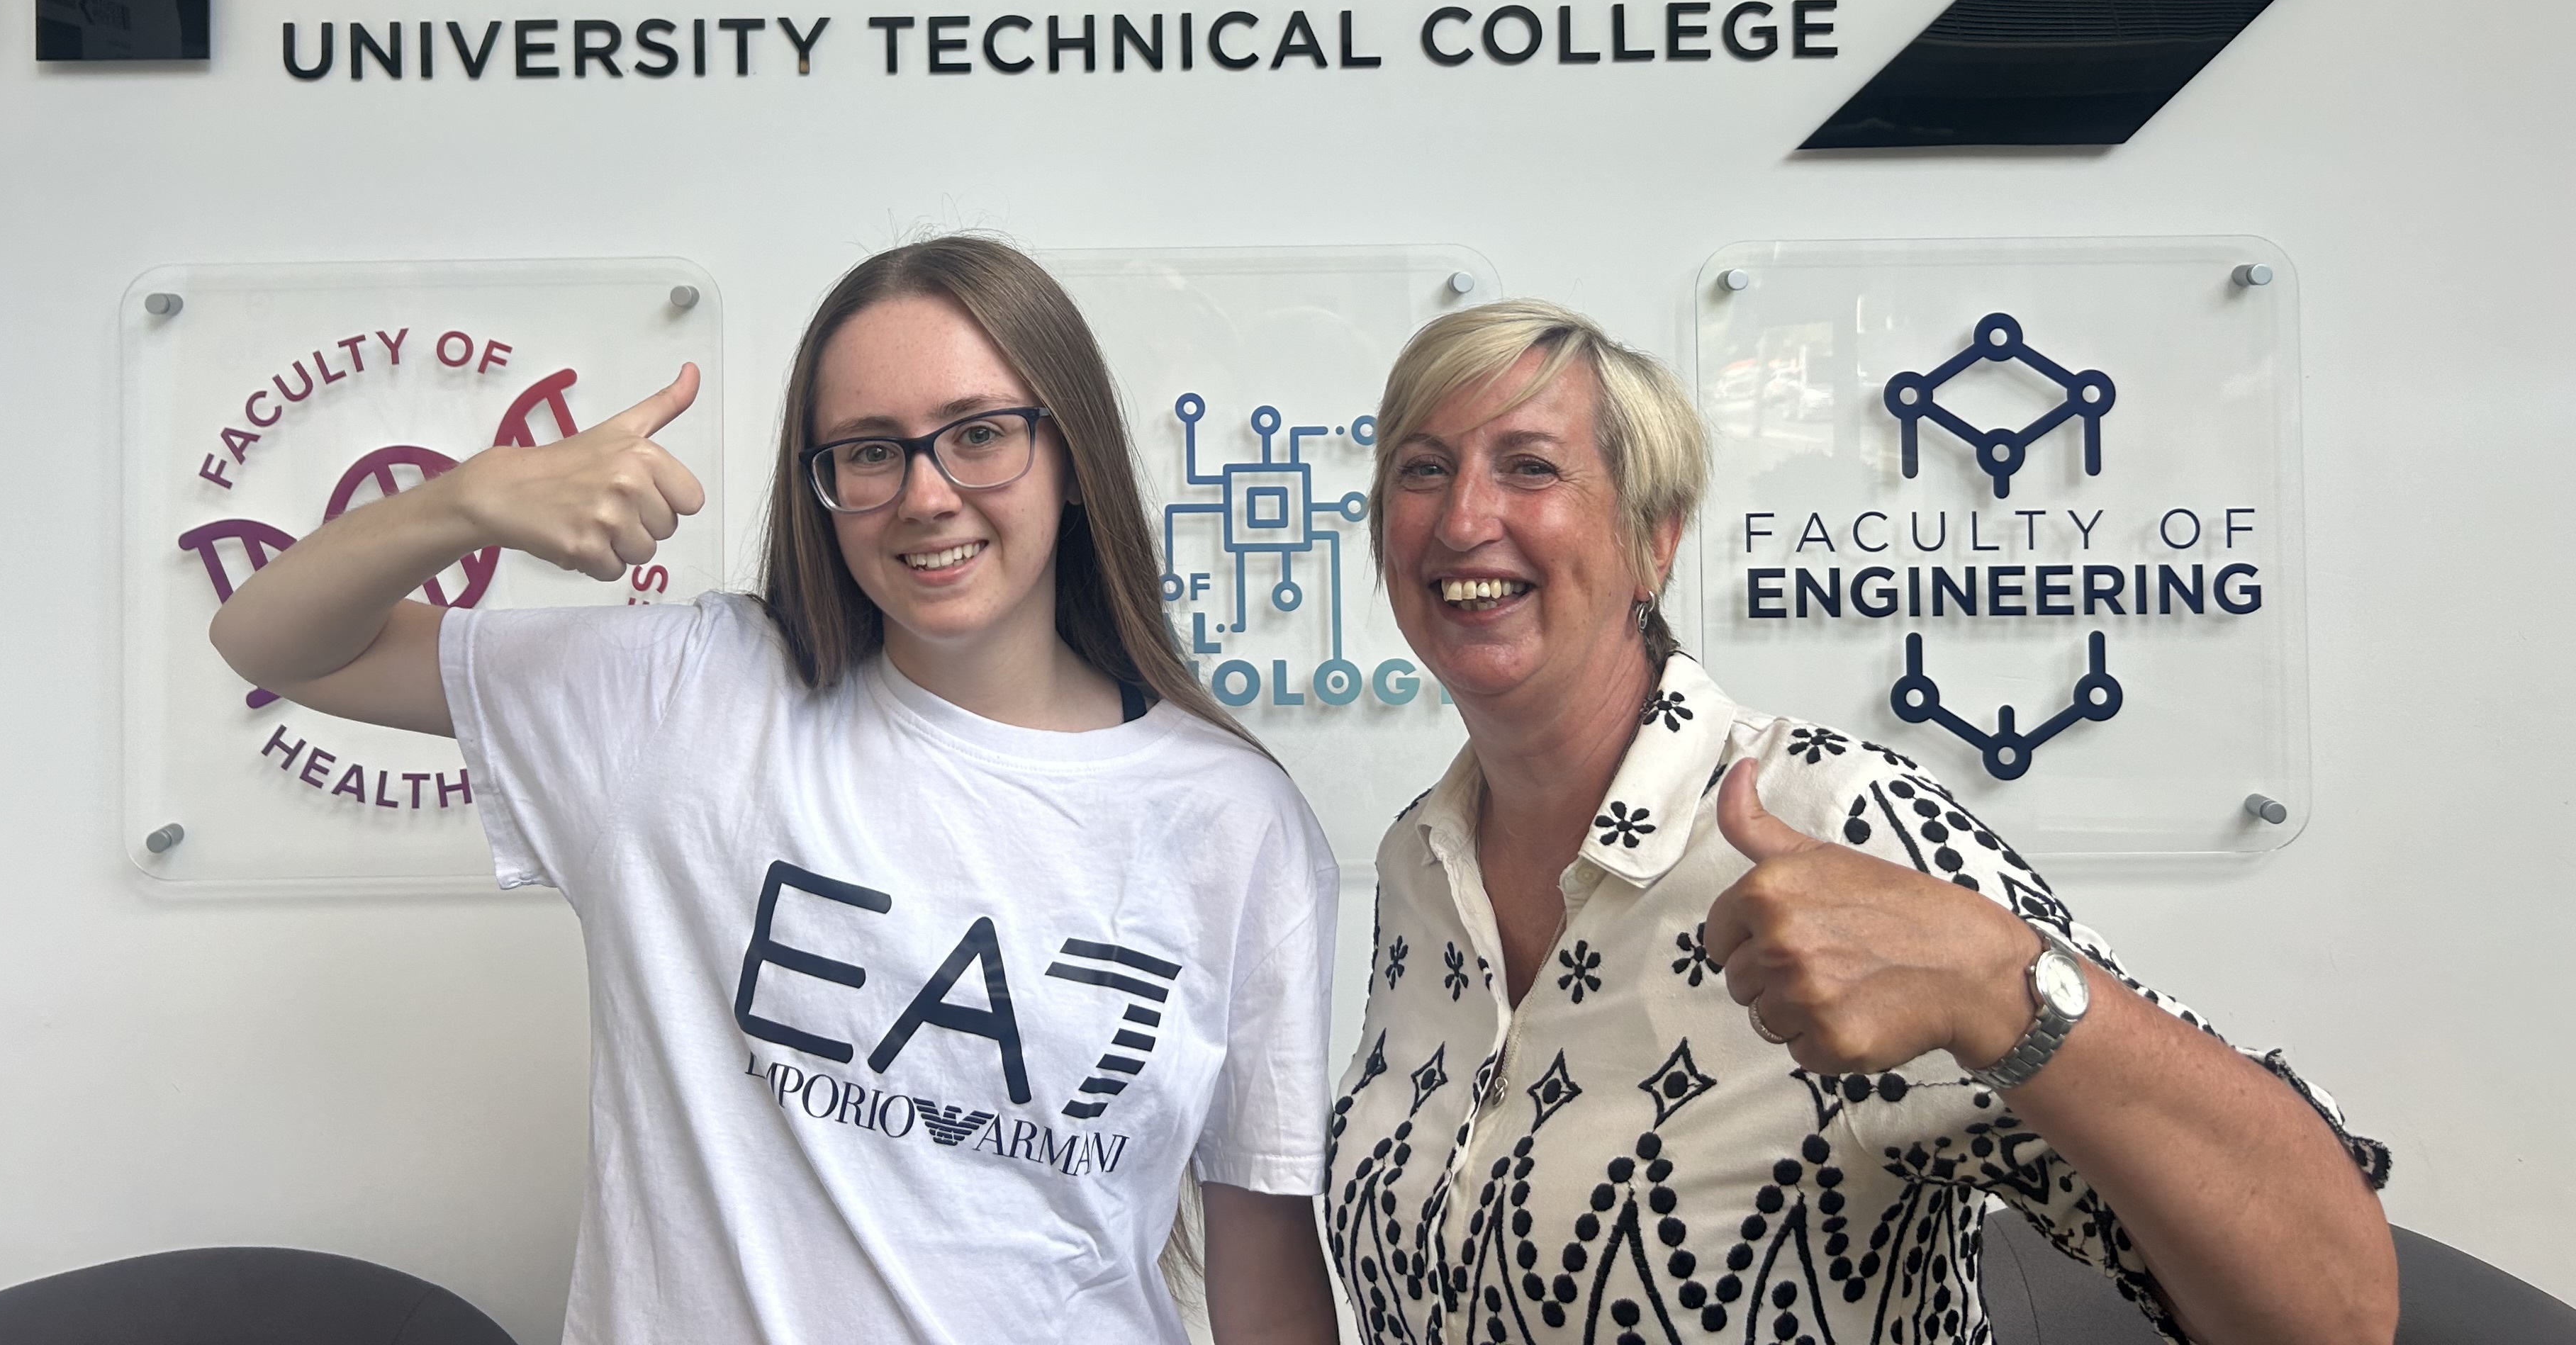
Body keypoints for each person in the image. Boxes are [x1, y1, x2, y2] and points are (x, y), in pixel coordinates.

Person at [213, 237, 1340, 1345]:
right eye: (870, 451)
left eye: (981, 434)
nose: (927, 494)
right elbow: (272, 642)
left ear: (1074, 456)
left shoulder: (1236, 821)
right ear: (823, 487)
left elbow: (1268, 1297)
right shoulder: (686, 700)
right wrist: (468, 501)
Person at [1322, 300, 2395, 1345]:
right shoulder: (1423, 859)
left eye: (1530, 467)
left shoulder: (1837, 820)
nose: (1462, 519)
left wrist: (1994, 982)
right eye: (1423, 469)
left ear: (1655, 539)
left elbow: (2335, 1311)